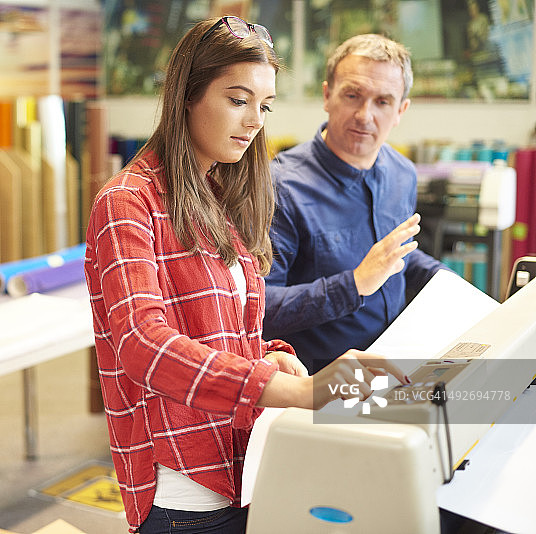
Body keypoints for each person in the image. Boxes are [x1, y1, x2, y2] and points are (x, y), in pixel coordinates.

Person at [84, 17, 408, 534]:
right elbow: (142, 344)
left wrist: (272, 357)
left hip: (245, 460)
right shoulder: (128, 201)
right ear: (186, 96)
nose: (255, 120)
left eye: (265, 105)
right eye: (238, 100)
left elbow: (226, 329)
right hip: (185, 486)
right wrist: (294, 393)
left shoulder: (217, 196)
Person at [262, 34, 445, 374]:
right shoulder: (279, 187)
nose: (365, 115)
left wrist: (449, 284)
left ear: (401, 110)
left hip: (397, 365)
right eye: (352, 95)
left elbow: (394, 252)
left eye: (383, 102)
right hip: (321, 382)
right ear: (327, 95)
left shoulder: (402, 172)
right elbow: (258, 307)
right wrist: (355, 284)